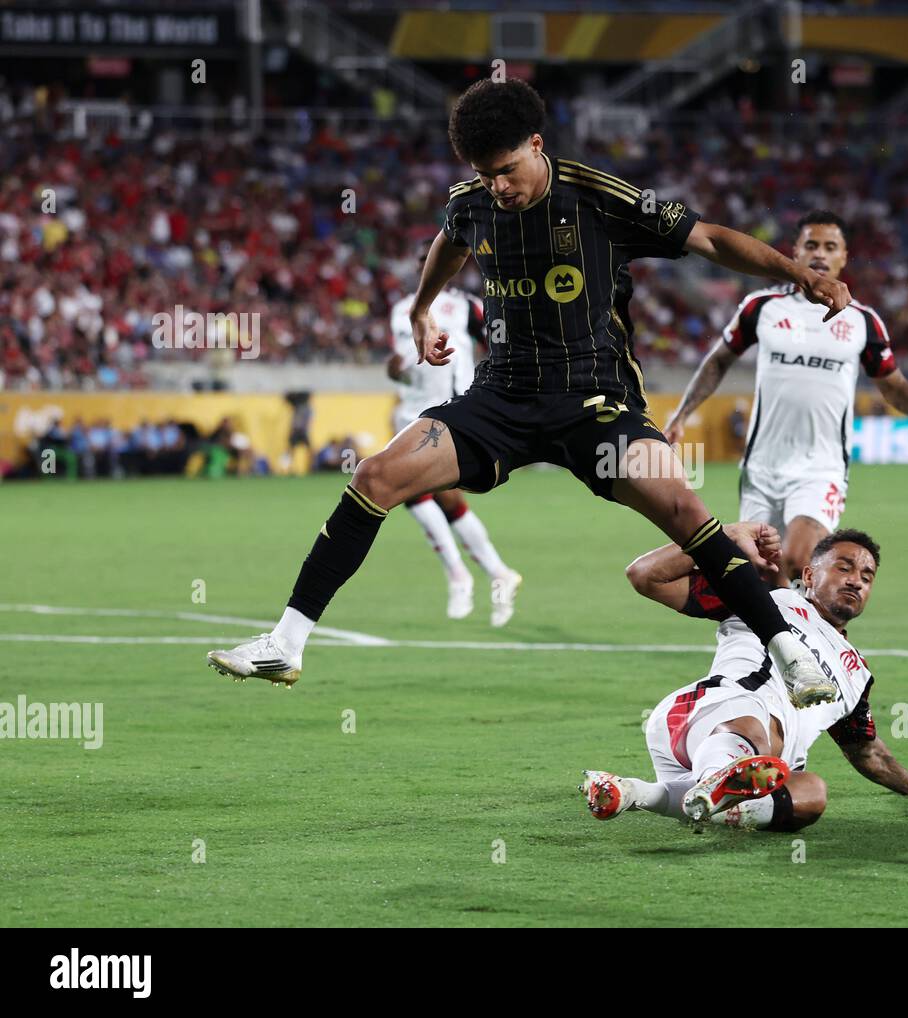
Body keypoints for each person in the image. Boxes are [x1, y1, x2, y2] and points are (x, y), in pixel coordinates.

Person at [207, 78, 849, 706]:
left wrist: (797, 273)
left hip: (595, 402)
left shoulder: (596, 196)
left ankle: (787, 649)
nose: (500, 187)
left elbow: (707, 237)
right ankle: (286, 643)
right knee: (374, 476)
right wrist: (422, 310)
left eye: (509, 170)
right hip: (502, 400)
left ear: (537, 143)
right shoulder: (472, 202)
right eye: (487, 175)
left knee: (684, 512)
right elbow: (450, 242)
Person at [582, 525, 908, 830]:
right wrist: (721, 536)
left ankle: (640, 794)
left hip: (762, 767)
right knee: (758, 722)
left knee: (812, 793)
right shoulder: (765, 599)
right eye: (844, 567)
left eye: (866, 577)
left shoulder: (857, 673)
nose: (856, 581)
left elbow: (867, 751)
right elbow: (645, 576)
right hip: (705, 717)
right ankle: (718, 780)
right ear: (808, 575)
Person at [663, 211, 908, 583]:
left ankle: (807, 635)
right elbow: (718, 360)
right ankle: (782, 638)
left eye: (830, 246)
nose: (820, 253)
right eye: (811, 245)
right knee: (760, 571)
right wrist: (682, 415)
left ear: (844, 256)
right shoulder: (761, 307)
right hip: (761, 467)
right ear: (795, 252)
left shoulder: (862, 321)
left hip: (821, 468)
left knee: (799, 558)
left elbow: (893, 386)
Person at [388, 280, 522, 626]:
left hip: (449, 412)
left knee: (409, 492)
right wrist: (394, 371)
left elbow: (500, 343)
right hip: (410, 414)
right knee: (445, 501)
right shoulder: (399, 310)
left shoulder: (466, 305)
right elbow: (404, 369)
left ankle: (460, 576)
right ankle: (497, 572)